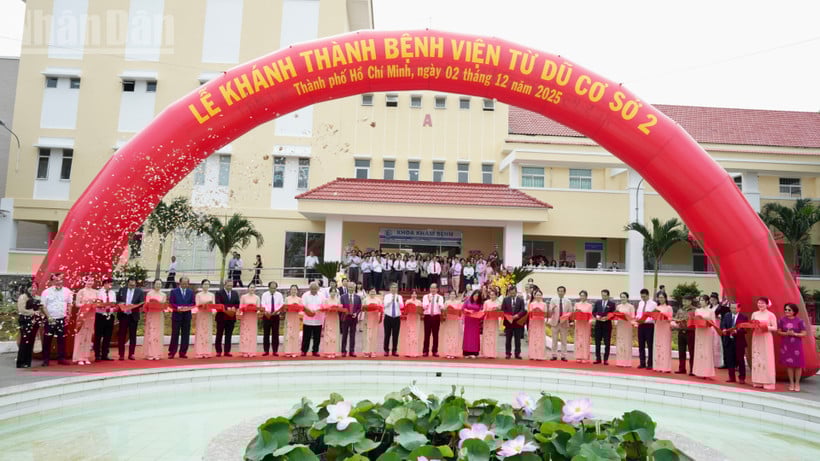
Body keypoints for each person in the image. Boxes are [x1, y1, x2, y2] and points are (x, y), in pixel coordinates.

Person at [41, 274, 73, 366]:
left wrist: (69, 314)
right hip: (50, 319)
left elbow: (70, 304)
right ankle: (46, 359)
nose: (59, 282)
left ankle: (61, 358)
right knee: (47, 339)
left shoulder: (67, 291)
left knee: (62, 339)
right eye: (56, 280)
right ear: (52, 281)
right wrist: (49, 317)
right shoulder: (46, 292)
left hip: (62, 318)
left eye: (60, 280)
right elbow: (43, 306)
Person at [777, 303, 807, 392]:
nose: (786, 311)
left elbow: (804, 333)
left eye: (789, 310)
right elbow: (779, 332)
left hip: (797, 345)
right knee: (789, 365)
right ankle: (791, 383)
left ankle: (797, 383)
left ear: (794, 311)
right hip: (786, 345)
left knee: (798, 365)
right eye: (785, 309)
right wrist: (786, 333)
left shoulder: (799, 321)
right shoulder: (782, 320)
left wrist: (795, 334)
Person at [750, 297, 777, 390]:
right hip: (756, 336)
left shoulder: (771, 315)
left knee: (767, 357)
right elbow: (751, 324)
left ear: (767, 304)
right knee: (757, 357)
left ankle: (768, 381)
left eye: (762, 303)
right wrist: (752, 326)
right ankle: (757, 380)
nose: (760, 305)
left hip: (766, 337)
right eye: (759, 303)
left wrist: (765, 326)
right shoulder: (754, 314)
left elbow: (775, 327)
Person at [117, 277, 145, 361]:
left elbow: (141, 303)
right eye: (131, 282)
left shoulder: (139, 291)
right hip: (123, 315)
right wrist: (122, 305)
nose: (132, 284)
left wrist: (133, 306)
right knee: (122, 335)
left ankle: (131, 354)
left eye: (134, 282)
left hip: (133, 316)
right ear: (128, 282)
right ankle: (121, 354)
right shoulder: (122, 290)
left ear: (136, 283)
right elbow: (118, 300)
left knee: (133, 336)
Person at [720, 301, 748, 384]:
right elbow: (723, 324)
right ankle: (731, 377)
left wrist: (737, 331)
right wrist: (724, 329)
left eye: (734, 308)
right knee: (730, 359)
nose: (732, 309)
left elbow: (745, 330)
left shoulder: (743, 317)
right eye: (731, 308)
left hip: (739, 341)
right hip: (728, 340)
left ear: (739, 308)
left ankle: (742, 378)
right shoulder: (727, 315)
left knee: (740, 360)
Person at [72, 277, 98, 365]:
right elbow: (77, 304)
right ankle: (79, 357)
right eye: (88, 280)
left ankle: (86, 356)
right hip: (83, 314)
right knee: (81, 335)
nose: (90, 282)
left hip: (91, 315)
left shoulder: (96, 292)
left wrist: (94, 304)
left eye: (91, 280)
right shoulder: (81, 291)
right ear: (85, 281)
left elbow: (98, 303)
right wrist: (86, 304)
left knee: (88, 335)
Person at [16, 283, 42, 368]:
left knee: (31, 341)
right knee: (24, 341)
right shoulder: (23, 297)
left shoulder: (38, 297)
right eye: (31, 287)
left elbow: (41, 308)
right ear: (27, 288)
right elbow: (21, 310)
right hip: (25, 321)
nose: (33, 289)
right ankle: (20, 362)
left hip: (35, 321)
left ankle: (28, 362)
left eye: (34, 287)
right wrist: (33, 312)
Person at [169, 277, 195, 359]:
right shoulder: (174, 291)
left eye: (186, 283)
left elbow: (193, 303)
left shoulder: (190, 292)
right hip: (177, 315)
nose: (184, 285)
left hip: (187, 315)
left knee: (185, 334)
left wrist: (187, 307)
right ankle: (172, 352)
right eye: (183, 283)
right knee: (175, 334)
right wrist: (178, 307)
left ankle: (183, 352)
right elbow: (171, 302)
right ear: (179, 283)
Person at [692, 294, 717, 379]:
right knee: (699, 351)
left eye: (702, 300)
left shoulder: (711, 311)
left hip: (707, 332)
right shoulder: (697, 310)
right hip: (699, 331)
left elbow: (714, 323)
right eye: (700, 300)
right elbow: (695, 321)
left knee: (706, 351)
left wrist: (706, 320)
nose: (701, 302)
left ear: (707, 301)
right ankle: (698, 371)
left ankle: (707, 372)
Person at [548, 285, 573, 361]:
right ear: (557, 291)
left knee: (563, 340)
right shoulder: (553, 300)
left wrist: (567, 318)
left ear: (564, 292)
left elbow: (570, 312)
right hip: (555, 323)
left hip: (564, 323)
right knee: (554, 340)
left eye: (562, 291)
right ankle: (553, 355)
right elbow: (550, 312)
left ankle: (563, 356)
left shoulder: (568, 301)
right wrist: (552, 309)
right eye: (559, 291)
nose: (560, 292)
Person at [672, 296, 697, 375]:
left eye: (686, 301)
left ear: (690, 301)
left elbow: (696, 321)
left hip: (690, 332)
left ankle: (693, 370)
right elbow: (676, 319)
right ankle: (682, 369)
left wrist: (688, 320)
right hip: (681, 332)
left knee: (691, 352)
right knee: (681, 351)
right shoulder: (680, 310)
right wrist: (676, 321)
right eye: (683, 300)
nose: (684, 302)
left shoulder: (695, 310)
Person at [215, 279, 240, 357]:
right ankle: (218, 351)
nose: (230, 287)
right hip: (221, 317)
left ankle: (227, 351)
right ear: (225, 285)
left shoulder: (235, 293)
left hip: (231, 317)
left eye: (231, 285)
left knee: (228, 335)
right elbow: (218, 302)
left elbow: (237, 303)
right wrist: (227, 308)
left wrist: (233, 308)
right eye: (228, 285)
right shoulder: (219, 293)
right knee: (219, 334)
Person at [143, 279, 167, 361]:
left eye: (160, 284)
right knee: (151, 334)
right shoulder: (149, 293)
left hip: (159, 315)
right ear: (154, 284)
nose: (158, 285)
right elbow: (147, 304)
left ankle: (157, 353)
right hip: (151, 315)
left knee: (158, 334)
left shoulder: (163, 294)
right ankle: (150, 353)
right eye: (157, 284)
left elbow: (164, 305)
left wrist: (162, 306)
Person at [502, 285, 526, 359]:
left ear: (516, 292)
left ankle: (517, 353)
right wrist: (508, 316)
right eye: (511, 293)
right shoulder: (505, 299)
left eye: (514, 293)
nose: (512, 294)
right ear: (509, 292)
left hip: (517, 322)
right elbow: (503, 309)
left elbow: (523, 310)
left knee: (517, 339)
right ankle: (508, 353)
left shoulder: (520, 300)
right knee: (508, 339)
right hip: (508, 322)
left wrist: (517, 315)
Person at [301, 281, 325, 357]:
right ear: (310, 288)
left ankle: (315, 351)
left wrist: (317, 310)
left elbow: (324, 305)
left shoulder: (321, 295)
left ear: (318, 288)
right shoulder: (305, 295)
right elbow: (303, 306)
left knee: (317, 337)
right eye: (312, 289)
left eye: (315, 289)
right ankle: (304, 351)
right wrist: (309, 311)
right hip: (307, 320)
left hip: (318, 320)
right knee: (306, 337)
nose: (314, 290)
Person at [635, 288, 657, 369]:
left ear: (648, 295)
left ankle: (650, 363)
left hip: (649, 326)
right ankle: (642, 362)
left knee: (650, 345)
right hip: (641, 325)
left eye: (644, 296)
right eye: (641, 297)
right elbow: (638, 313)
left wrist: (645, 320)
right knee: (641, 345)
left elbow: (653, 316)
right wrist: (638, 318)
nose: (643, 298)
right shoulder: (640, 303)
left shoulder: (653, 304)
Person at [261, 281, 284, 356]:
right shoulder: (264, 295)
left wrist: (276, 311)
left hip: (275, 316)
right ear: (269, 287)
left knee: (275, 333)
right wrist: (268, 312)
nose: (273, 289)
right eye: (271, 288)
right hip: (267, 316)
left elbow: (281, 305)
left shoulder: (279, 295)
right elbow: (263, 304)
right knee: (266, 334)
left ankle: (275, 351)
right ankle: (266, 351)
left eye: (274, 288)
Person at [591, 289, 614, 364]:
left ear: (608, 295)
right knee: (597, 342)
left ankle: (606, 359)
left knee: (607, 343)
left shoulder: (612, 304)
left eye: (605, 295)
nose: (603, 296)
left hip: (607, 325)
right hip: (598, 325)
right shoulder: (598, 302)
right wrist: (596, 316)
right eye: (602, 295)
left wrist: (607, 317)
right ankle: (598, 359)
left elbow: (613, 314)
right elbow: (593, 312)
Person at [653, 293, 674, 373]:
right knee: (658, 346)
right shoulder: (656, 307)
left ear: (665, 298)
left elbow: (670, 318)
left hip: (665, 328)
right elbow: (654, 319)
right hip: (658, 327)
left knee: (665, 346)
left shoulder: (669, 307)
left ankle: (665, 367)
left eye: (662, 297)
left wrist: (663, 315)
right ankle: (657, 366)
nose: (660, 299)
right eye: (659, 298)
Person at [237, 283, 260, 358]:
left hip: (253, 317)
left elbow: (259, 308)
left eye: (253, 287)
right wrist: (244, 309)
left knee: (252, 334)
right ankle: (244, 351)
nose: (252, 289)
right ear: (248, 288)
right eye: (251, 287)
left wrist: (257, 310)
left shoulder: (257, 297)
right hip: (245, 317)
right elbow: (240, 307)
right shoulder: (243, 297)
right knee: (245, 333)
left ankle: (252, 351)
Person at [194, 279, 215, 359]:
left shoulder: (212, 295)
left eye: (208, 284)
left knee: (207, 333)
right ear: (202, 285)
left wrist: (213, 310)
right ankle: (199, 352)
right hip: (201, 314)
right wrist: (204, 305)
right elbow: (197, 305)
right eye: (205, 284)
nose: (206, 286)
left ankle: (207, 352)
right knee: (200, 333)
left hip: (208, 315)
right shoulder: (198, 295)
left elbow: (213, 305)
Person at [340, 282, 362, 357]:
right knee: (344, 335)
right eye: (349, 287)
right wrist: (344, 312)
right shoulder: (342, 297)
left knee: (353, 336)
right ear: (347, 288)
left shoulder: (358, 297)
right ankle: (343, 351)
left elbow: (359, 308)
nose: (351, 289)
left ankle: (352, 351)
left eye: (352, 287)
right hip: (345, 318)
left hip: (353, 318)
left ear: (354, 288)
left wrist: (356, 313)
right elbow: (340, 307)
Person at [319, 287, 342, 358]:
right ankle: (328, 352)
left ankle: (334, 352)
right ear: (329, 293)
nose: (333, 293)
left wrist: (338, 309)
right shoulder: (326, 300)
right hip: (329, 318)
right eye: (332, 292)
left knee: (335, 334)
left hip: (335, 318)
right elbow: (323, 309)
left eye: (334, 292)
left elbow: (340, 309)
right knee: (329, 334)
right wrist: (328, 309)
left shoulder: (338, 300)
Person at [422, 283, 444, 357]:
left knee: (435, 335)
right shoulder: (426, 296)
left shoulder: (440, 297)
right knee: (426, 334)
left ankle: (435, 351)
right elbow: (424, 307)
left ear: (437, 289)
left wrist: (439, 304)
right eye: (432, 288)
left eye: (434, 288)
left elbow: (442, 307)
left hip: (436, 317)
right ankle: (425, 351)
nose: (433, 289)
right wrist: (429, 301)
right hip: (427, 316)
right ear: (430, 289)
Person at [614, 292, 635, 368]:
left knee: (627, 343)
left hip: (627, 326)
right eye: (621, 297)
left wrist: (628, 318)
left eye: (624, 297)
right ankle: (620, 361)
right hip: (620, 325)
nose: (622, 298)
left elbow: (633, 317)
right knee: (620, 342)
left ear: (627, 298)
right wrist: (616, 320)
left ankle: (627, 362)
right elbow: (615, 315)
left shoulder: (631, 307)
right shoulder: (618, 306)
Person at [440, 291, 463, 359]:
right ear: (449, 295)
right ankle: (448, 352)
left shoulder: (458, 302)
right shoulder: (447, 302)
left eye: (453, 294)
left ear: (455, 295)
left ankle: (453, 353)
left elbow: (460, 312)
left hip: (455, 320)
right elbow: (444, 311)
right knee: (448, 336)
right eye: (451, 294)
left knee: (454, 336)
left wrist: (456, 311)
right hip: (448, 320)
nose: (452, 295)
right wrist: (444, 310)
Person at [382, 283, 403, 357]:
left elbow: (402, 306)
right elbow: (384, 305)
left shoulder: (399, 297)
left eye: (395, 288)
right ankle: (386, 350)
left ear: (397, 289)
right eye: (392, 287)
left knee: (395, 335)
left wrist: (397, 301)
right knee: (387, 334)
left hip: (396, 317)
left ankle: (394, 350)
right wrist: (391, 300)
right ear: (390, 288)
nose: (394, 289)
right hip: (388, 317)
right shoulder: (387, 296)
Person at [283, 285, 304, 357]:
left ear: (297, 291)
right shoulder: (287, 299)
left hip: (296, 317)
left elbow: (302, 309)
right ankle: (288, 351)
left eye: (295, 289)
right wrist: (289, 307)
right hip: (289, 317)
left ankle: (295, 351)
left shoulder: (299, 299)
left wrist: (297, 308)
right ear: (290, 290)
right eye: (292, 289)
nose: (294, 291)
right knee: (288, 334)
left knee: (295, 334)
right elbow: (284, 309)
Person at [462, 289, 483, 358]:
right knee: (467, 336)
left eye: (477, 296)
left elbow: (481, 312)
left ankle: (474, 352)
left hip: (475, 321)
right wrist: (468, 310)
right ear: (473, 295)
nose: (476, 297)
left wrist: (478, 314)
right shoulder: (467, 300)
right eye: (475, 295)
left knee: (474, 336)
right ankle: (466, 352)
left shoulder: (480, 303)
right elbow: (463, 308)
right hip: (468, 320)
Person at [527, 289, 547, 361]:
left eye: (539, 295)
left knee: (540, 338)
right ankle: (532, 355)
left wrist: (541, 311)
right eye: (537, 295)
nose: (538, 296)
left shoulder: (544, 304)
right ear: (534, 296)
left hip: (541, 322)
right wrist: (533, 311)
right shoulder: (532, 304)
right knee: (533, 338)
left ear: (541, 296)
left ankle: (540, 355)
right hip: (534, 322)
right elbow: (529, 314)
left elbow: (546, 314)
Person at [362, 287, 382, 357]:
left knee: (374, 335)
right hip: (367, 318)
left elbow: (381, 309)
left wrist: (379, 318)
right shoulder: (365, 300)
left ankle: (373, 351)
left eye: (374, 292)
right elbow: (363, 309)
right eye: (371, 291)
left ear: (375, 292)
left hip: (375, 319)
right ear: (368, 292)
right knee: (367, 335)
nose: (372, 293)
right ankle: (366, 351)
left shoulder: (378, 300)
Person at [482, 287, 501, 359]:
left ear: (496, 295)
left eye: (493, 294)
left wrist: (497, 309)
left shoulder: (498, 303)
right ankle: (486, 353)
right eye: (491, 294)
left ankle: (492, 353)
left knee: (493, 336)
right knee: (487, 337)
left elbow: (500, 313)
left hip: (494, 321)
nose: (492, 296)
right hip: (487, 321)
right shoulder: (486, 302)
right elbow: (483, 310)